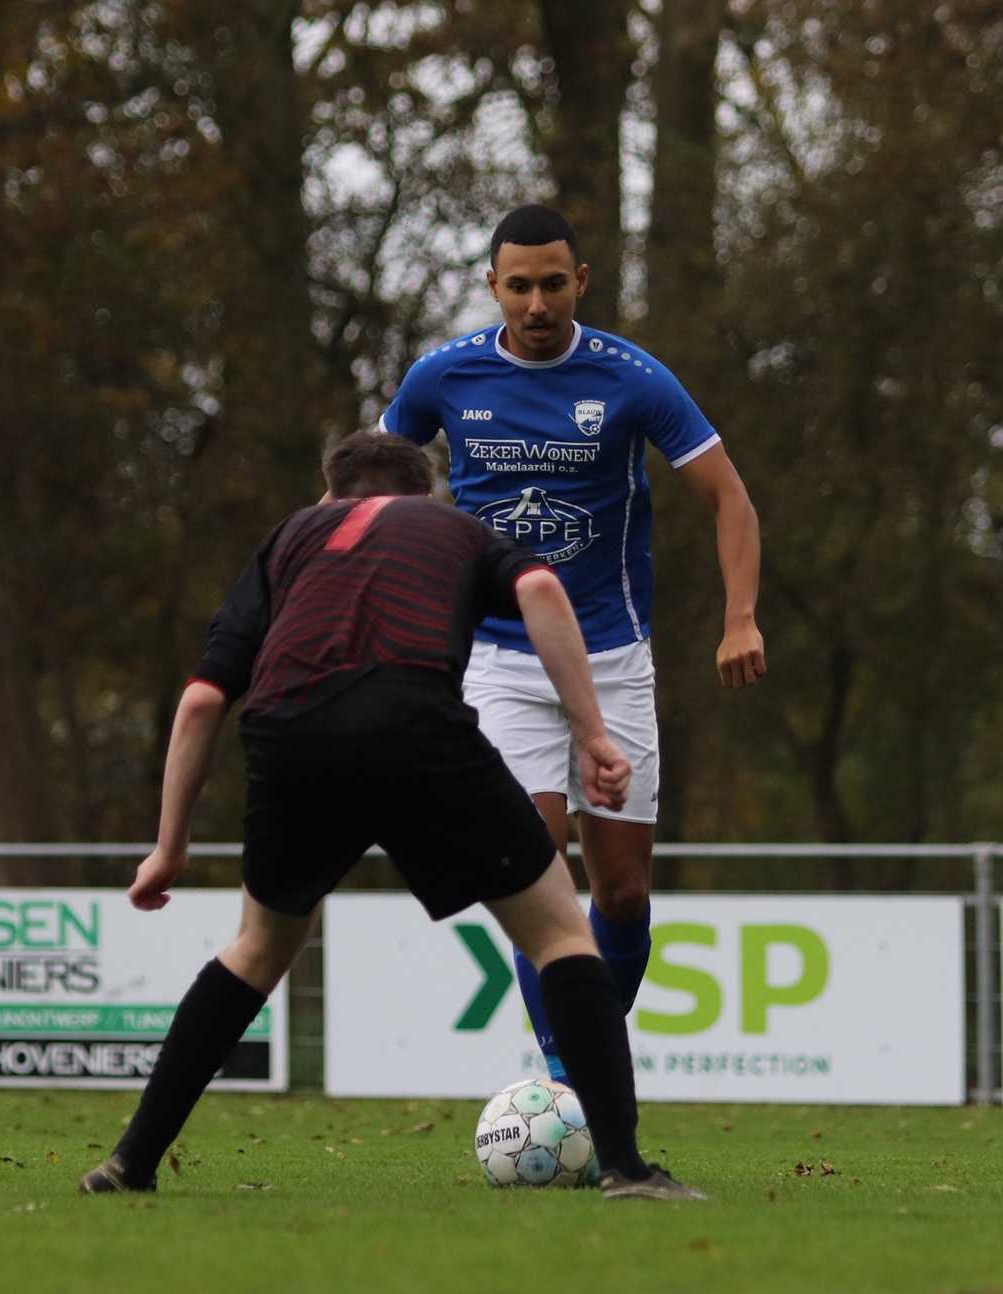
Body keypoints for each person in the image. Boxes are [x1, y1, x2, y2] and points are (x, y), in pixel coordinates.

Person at [80, 431, 706, 1201]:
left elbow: (203, 699)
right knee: (560, 935)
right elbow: (543, 592)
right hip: (416, 725)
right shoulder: (456, 527)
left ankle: (129, 1163)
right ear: (425, 489)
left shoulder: (289, 541)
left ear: (331, 492)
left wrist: (168, 847)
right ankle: (627, 1171)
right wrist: (593, 734)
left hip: (290, 736)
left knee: (255, 950)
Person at [379, 205, 765, 1083]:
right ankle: (570, 1079)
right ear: (492, 286)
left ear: (580, 281)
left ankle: (580, 1060)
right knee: (534, 875)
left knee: (621, 892)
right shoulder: (443, 375)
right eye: (519, 286)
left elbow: (730, 497)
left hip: (613, 660)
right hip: (498, 660)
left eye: (553, 284)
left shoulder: (632, 377)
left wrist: (740, 617)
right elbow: (365, 490)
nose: (537, 303)